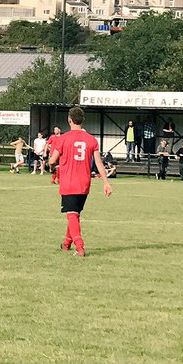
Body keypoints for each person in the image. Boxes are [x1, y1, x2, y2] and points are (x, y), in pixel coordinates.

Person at [47, 105, 112, 257]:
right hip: (84, 183)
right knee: (75, 214)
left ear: (69, 120)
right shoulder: (91, 140)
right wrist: (106, 182)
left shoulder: (62, 139)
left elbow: (52, 160)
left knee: (72, 214)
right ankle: (66, 243)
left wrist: (52, 166)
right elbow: (99, 162)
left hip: (69, 182)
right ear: (82, 120)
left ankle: (80, 247)